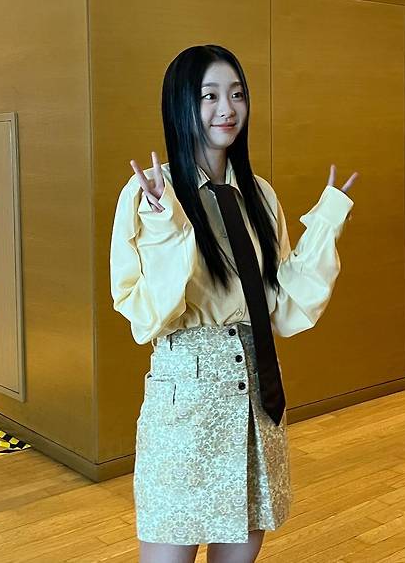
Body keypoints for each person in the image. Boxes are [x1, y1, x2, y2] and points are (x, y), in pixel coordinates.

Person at [109, 44, 358, 563]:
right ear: (181, 104)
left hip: (256, 392)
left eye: (237, 94)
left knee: (241, 550)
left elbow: (281, 307)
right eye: (210, 96)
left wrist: (326, 225)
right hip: (187, 396)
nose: (227, 109)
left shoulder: (259, 194)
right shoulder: (148, 194)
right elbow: (145, 315)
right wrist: (166, 228)